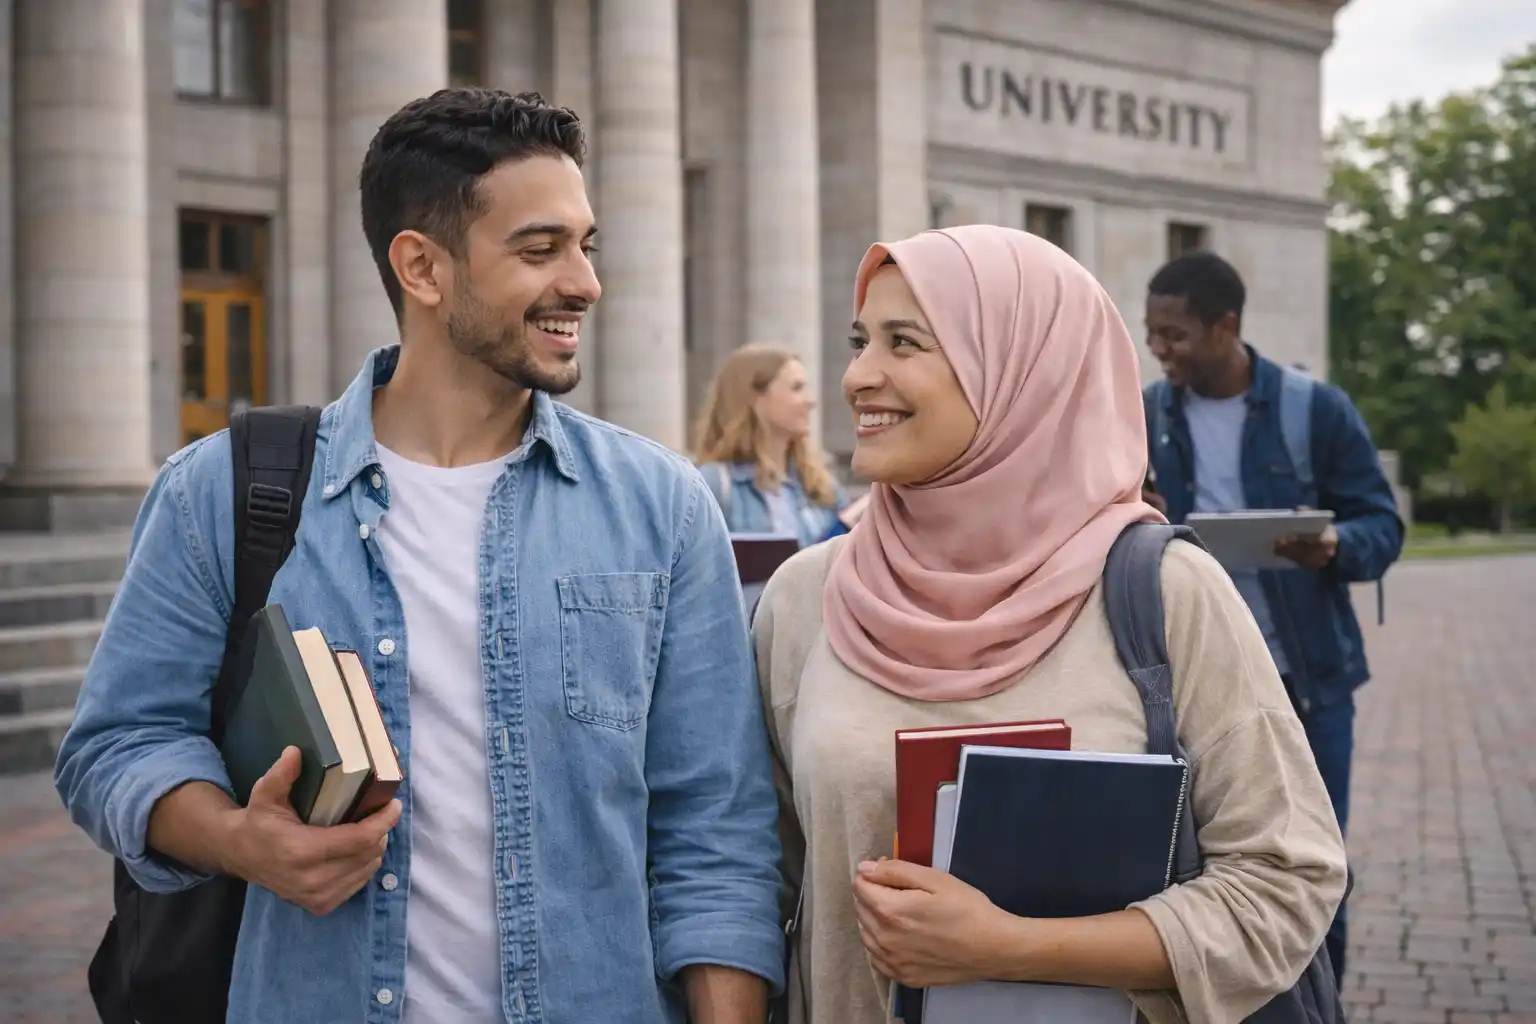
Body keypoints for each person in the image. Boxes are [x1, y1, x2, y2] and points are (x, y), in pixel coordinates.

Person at [54, 88, 784, 1023]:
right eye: (539, 249)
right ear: (422, 268)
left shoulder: (663, 506)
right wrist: (242, 841)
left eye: (585, 246)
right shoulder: (219, 491)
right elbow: (118, 745)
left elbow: (714, 831)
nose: (586, 283)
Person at [751, 225, 1348, 1024]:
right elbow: (760, 878)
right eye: (861, 341)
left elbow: (1287, 879)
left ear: (1020, 368)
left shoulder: (1165, 592)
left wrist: (1007, 947)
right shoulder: (803, 598)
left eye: (905, 342)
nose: (859, 375)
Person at [1141, 250, 1403, 983]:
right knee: (1196, 876)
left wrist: (1333, 546)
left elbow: (1382, 528)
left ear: (1226, 327)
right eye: (1151, 333)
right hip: (1195, 682)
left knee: (1315, 871)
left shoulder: (1314, 410)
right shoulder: (1149, 413)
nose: (1158, 349)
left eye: (1174, 335)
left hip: (1306, 685)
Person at [694, 343, 851, 546]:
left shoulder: (822, 487)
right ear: (755, 397)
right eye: (797, 388)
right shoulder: (713, 485)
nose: (811, 401)